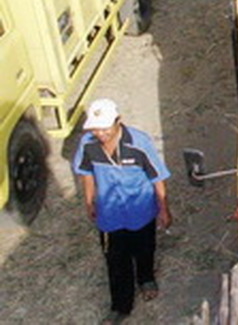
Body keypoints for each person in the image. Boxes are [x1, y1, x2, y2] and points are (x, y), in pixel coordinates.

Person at [73, 98, 172, 324]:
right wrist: (89, 201)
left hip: (141, 209)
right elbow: (86, 173)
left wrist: (164, 208)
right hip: (109, 214)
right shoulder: (87, 144)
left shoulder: (139, 143)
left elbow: (157, 177)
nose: (101, 133)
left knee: (144, 248)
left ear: (119, 121)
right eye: (96, 128)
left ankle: (146, 278)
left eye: (105, 127)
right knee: (115, 260)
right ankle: (120, 306)